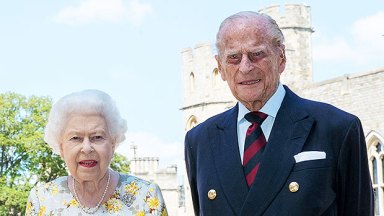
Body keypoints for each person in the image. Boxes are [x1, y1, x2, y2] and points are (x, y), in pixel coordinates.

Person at [184, 11, 373, 215]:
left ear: (281, 58)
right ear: (220, 67)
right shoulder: (200, 140)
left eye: (257, 54)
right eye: (233, 58)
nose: (245, 67)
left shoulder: (338, 128)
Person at [26, 89, 168, 215]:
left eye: (97, 137)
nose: (87, 148)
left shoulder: (146, 197)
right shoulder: (42, 200)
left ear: (113, 144)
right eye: (75, 138)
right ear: (61, 148)